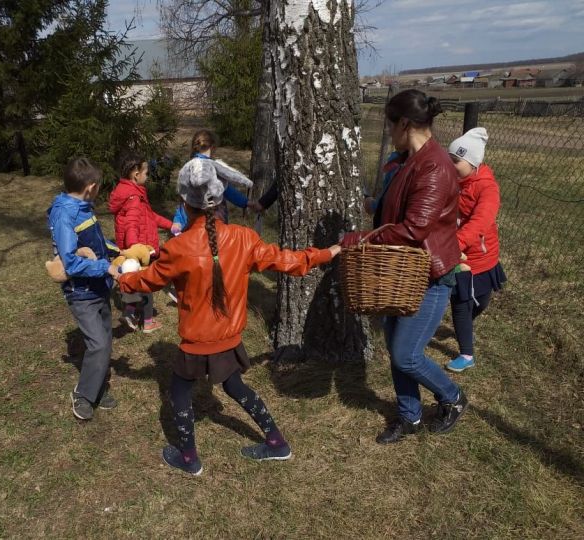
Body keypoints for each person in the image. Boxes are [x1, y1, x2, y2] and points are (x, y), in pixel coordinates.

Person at [116, 156, 341, 475]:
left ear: (185, 201)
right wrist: (325, 253)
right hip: (228, 337)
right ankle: (276, 442)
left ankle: (190, 458)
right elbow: (285, 260)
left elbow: (148, 280)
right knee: (234, 385)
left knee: (180, 391)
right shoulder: (244, 239)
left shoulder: (178, 248)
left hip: (197, 340)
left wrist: (122, 278)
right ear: (220, 197)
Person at [340, 89, 468, 444]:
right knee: (399, 352)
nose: (389, 132)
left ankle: (453, 397)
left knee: (405, 354)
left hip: (430, 276)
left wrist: (358, 240)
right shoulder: (412, 159)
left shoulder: (434, 166)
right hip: (404, 274)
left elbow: (414, 229)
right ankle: (410, 417)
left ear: (405, 124)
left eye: (390, 125)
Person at [47, 157, 121, 421]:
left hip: (98, 286)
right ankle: (84, 395)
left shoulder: (84, 208)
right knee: (99, 343)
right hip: (81, 292)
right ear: (91, 187)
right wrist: (105, 268)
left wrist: (118, 252)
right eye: (99, 187)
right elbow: (70, 261)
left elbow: (98, 243)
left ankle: (97, 387)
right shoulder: (65, 213)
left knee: (105, 340)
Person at [446, 127, 507, 372]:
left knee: (481, 301)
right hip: (460, 259)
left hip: (483, 256)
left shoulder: (487, 188)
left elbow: (481, 221)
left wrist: (458, 241)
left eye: (455, 161)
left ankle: (465, 325)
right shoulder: (452, 180)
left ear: (472, 163)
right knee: (461, 304)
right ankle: (467, 354)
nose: (450, 166)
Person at [108, 154, 175, 333]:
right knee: (147, 286)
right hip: (140, 251)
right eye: (146, 172)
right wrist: (136, 250)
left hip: (135, 251)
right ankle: (147, 322)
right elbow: (131, 225)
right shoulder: (134, 198)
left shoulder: (129, 192)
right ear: (136, 174)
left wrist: (171, 225)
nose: (148, 175)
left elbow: (150, 216)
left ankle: (130, 314)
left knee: (136, 287)